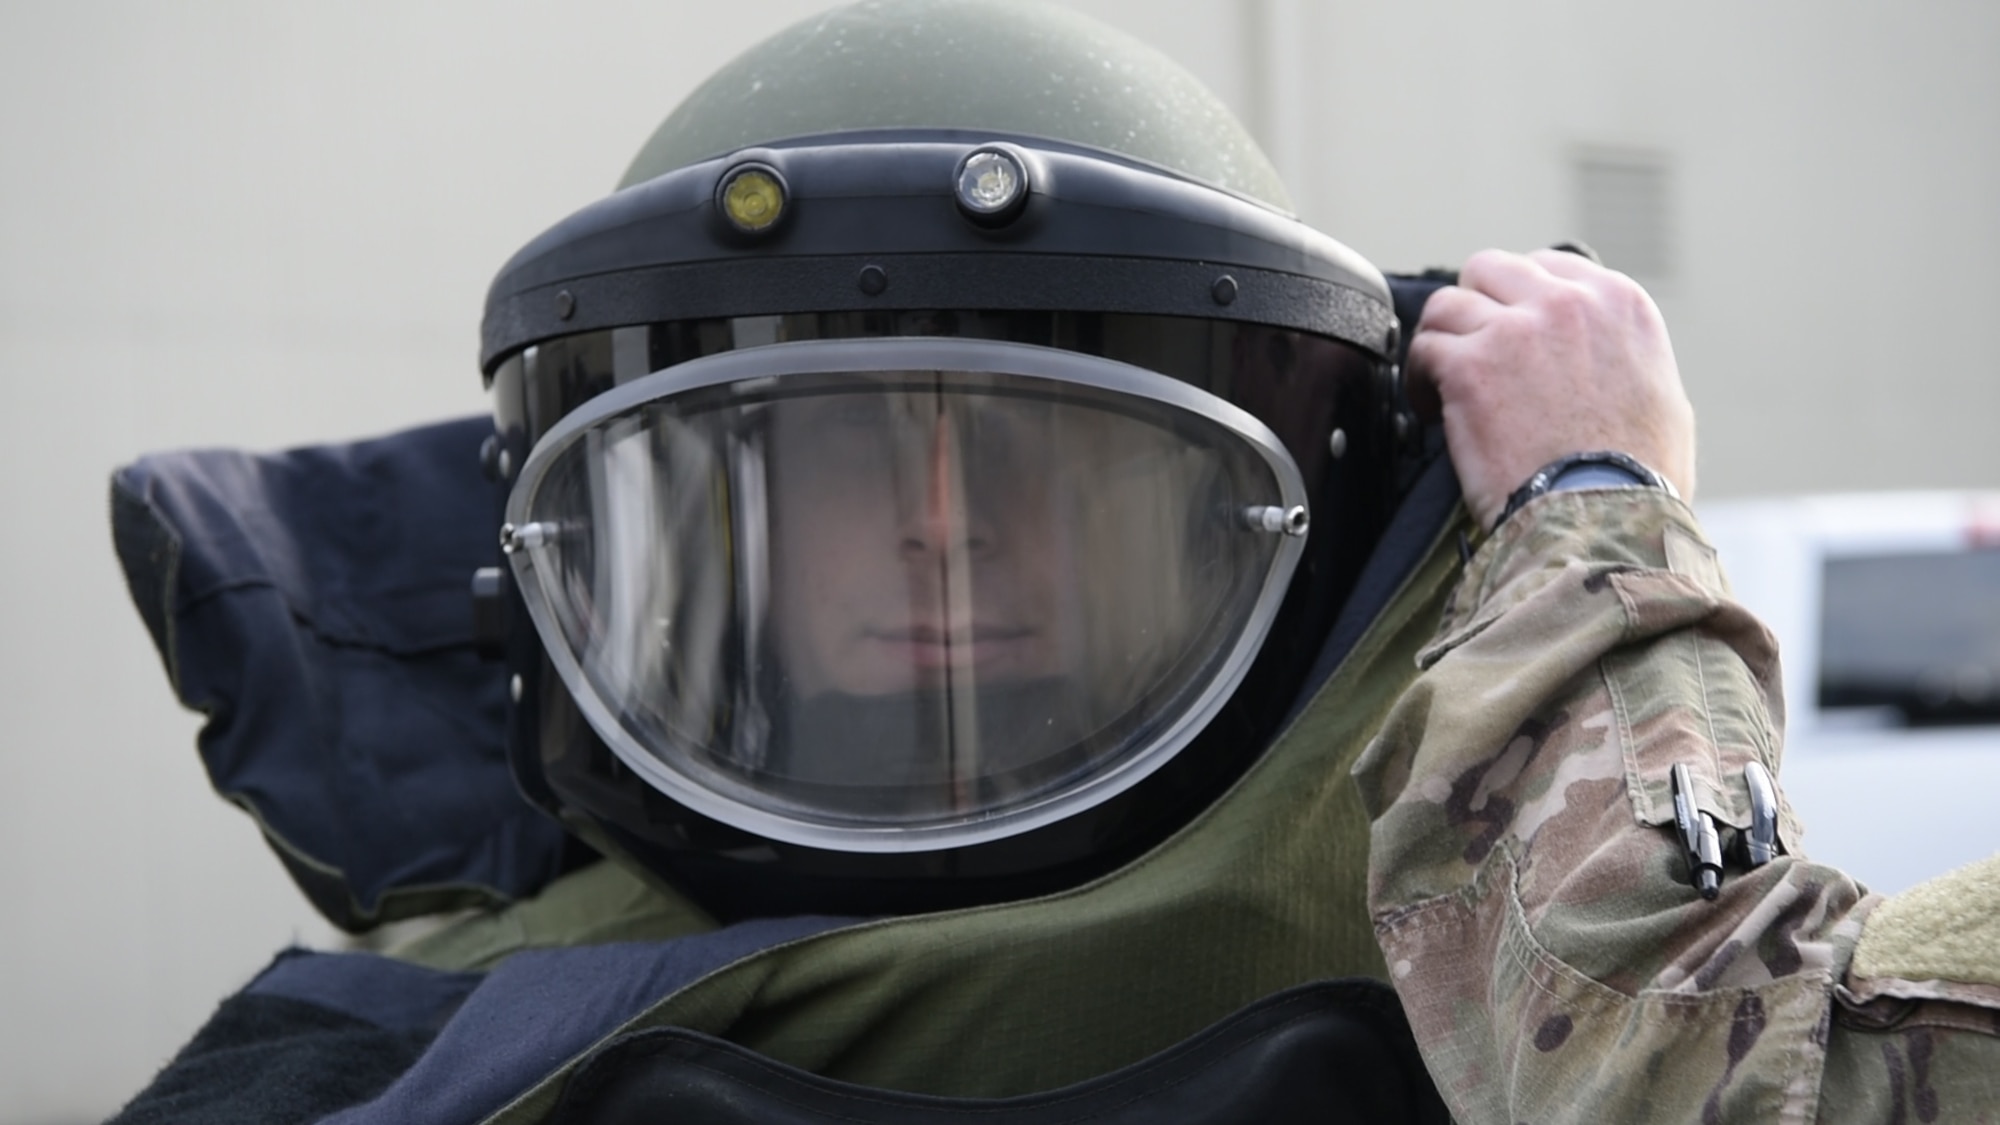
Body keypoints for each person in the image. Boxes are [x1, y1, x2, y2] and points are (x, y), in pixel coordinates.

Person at [104, 2, 2000, 1122]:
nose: (943, 515)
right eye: (842, 457)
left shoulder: (1461, 973)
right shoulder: (420, 1043)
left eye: (1032, 453)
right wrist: (1598, 497)